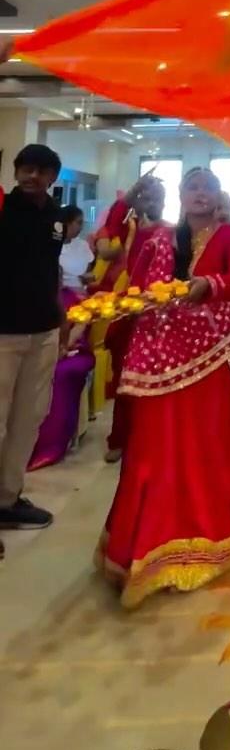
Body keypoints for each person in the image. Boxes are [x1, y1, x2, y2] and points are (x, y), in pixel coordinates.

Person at [97, 167, 230, 607]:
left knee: (207, 446)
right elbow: (114, 256)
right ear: (181, 195)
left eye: (207, 187)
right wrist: (123, 203)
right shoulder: (158, 240)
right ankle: (148, 547)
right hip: (158, 360)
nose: (199, 194)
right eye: (191, 186)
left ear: (217, 196)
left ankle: (213, 537)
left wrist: (210, 285)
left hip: (212, 358)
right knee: (155, 449)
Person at [0, 144, 65, 536]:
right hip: (2, 332)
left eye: (40, 171)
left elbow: (50, 268)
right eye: (25, 169)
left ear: (52, 177)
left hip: (43, 332)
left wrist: (61, 317)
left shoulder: (55, 217)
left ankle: (7, 499)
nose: (31, 176)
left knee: (29, 419)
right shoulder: (3, 211)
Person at [97, 175, 168, 463]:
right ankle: (119, 437)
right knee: (126, 378)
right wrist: (128, 198)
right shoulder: (128, 227)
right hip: (128, 309)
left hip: (159, 312)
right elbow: (111, 225)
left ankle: (152, 438)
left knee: (156, 380)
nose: (152, 202)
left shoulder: (170, 232)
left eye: (157, 197)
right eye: (146, 197)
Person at [28, 206, 94, 471]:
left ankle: (51, 444)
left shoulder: (76, 300)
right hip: (41, 344)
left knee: (62, 373)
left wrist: (64, 346)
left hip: (73, 349)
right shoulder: (38, 299)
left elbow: (78, 329)